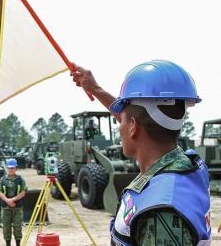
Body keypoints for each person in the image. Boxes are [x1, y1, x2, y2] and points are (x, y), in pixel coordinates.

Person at [71, 60, 211, 245]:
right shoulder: (187, 166)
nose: (119, 126)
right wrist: (95, 89)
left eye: (121, 121)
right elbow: (136, 117)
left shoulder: (160, 211)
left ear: (133, 127)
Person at [0, 158, 27, 246]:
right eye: (9, 168)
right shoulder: (2, 180)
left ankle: (18, 244)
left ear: (16, 168)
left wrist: (13, 200)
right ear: (7, 168)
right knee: (6, 227)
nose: (11, 170)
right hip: (5, 208)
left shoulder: (20, 179)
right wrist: (7, 201)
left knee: (17, 227)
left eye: (13, 168)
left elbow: (23, 192)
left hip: (17, 208)